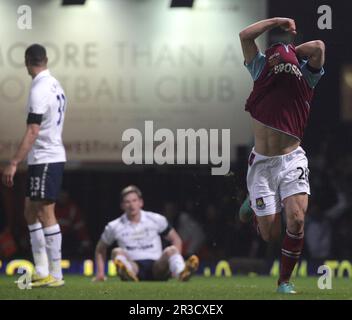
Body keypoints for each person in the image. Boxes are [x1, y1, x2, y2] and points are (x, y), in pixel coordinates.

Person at [238, 18, 325, 293]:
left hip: (292, 158)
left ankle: (284, 282)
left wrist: (290, 53)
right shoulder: (260, 66)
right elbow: (244, 36)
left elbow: (319, 47)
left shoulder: (306, 75)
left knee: (297, 219)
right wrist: (276, 22)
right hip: (263, 164)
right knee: (270, 235)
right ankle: (253, 203)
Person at [2, 44, 67, 287]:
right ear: (46, 59)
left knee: (44, 212)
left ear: (27, 62)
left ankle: (56, 274)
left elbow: (33, 130)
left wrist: (14, 162)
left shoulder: (40, 88)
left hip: (46, 157)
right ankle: (41, 269)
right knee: (30, 210)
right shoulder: (55, 84)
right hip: (43, 157)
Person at [94, 185, 199, 282]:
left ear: (141, 202)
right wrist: (100, 273)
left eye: (134, 200)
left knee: (171, 250)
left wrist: (172, 266)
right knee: (116, 252)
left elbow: (176, 240)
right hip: (134, 266)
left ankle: (181, 272)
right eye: (127, 202)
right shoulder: (114, 226)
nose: (131, 205)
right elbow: (100, 249)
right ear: (122, 205)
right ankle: (126, 272)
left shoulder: (156, 219)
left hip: (156, 266)